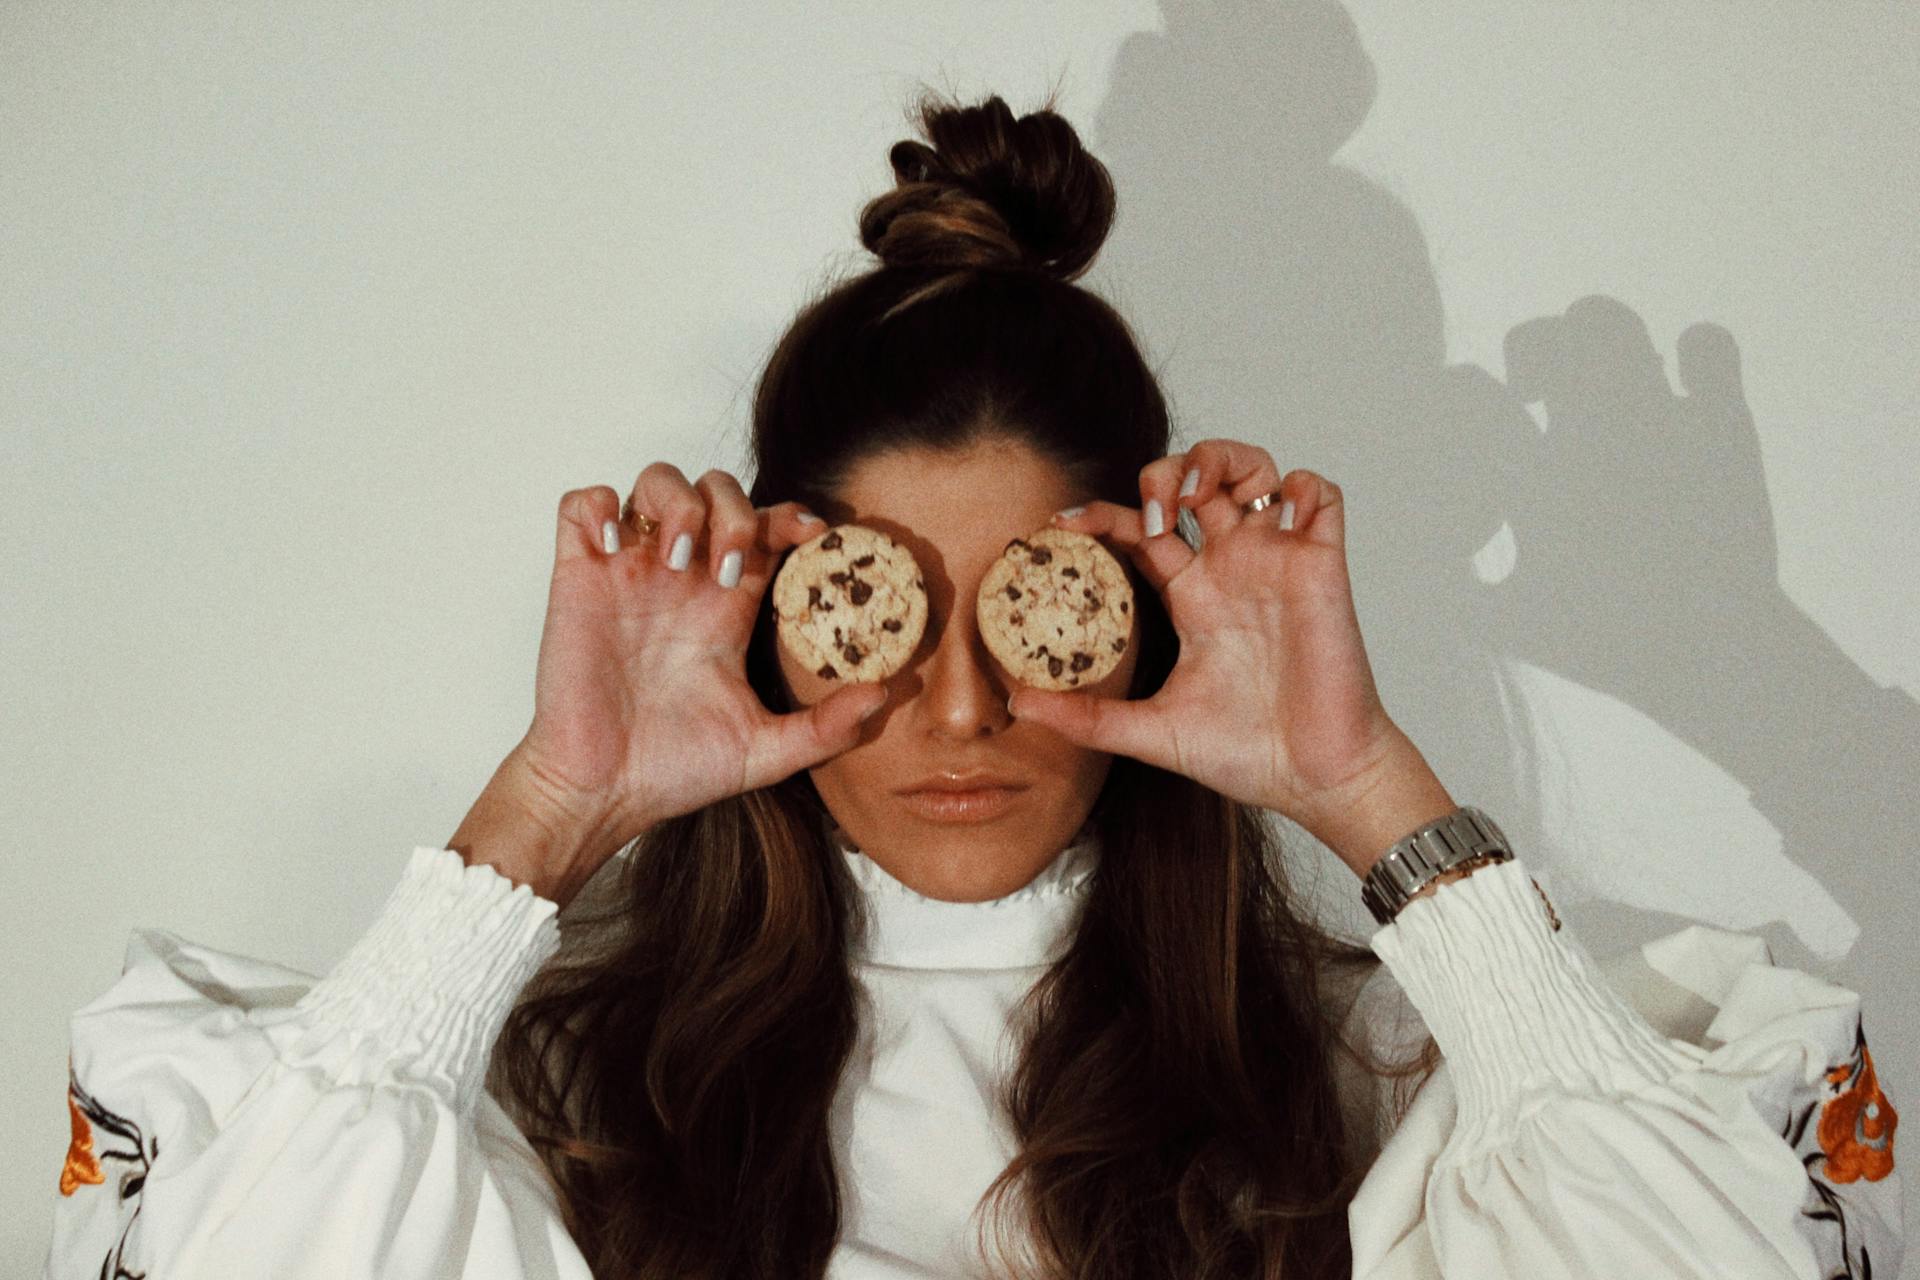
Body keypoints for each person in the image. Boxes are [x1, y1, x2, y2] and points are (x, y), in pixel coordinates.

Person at [47, 92, 1901, 1280]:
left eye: (1024, 614)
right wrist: (551, 808)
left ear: (1139, 620)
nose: (955, 713)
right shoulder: (550, 1100)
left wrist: (1365, 789)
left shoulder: (1390, 1090)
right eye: (879, 616)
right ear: (772, 625)